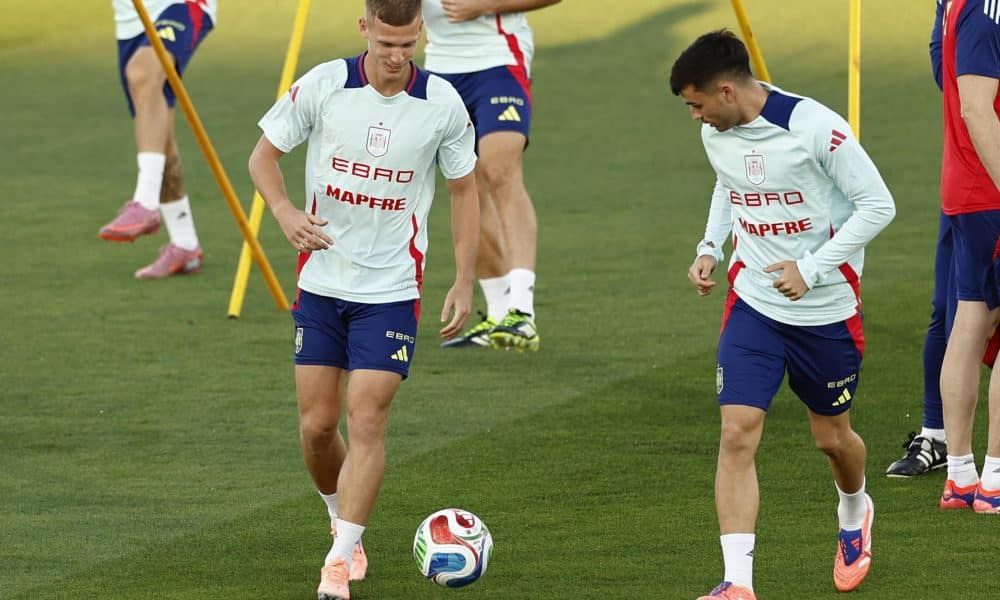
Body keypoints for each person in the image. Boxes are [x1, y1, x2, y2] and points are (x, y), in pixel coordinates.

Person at [247, 1, 479, 598]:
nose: (398, 58)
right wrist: (285, 212)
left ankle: (339, 560)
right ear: (364, 30)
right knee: (318, 427)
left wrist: (463, 278)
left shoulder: (442, 104)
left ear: (420, 34)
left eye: (408, 46)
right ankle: (338, 515)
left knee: (368, 418)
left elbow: (463, 190)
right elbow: (263, 157)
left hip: (392, 291)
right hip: (322, 285)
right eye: (386, 45)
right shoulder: (324, 85)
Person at [672, 30, 896, 599]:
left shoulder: (815, 128)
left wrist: (813, 268)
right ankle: (737, 584)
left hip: (826, 312)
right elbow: (729, 187)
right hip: (754, 306)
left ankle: (854, 510)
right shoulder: (716, 134)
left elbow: (879, 205)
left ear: (725, 92)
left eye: (697, 105)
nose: (694, 118)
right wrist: (708, 246)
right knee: (736, 433)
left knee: (832, 439)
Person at [423, 0, 560, 351]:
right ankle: (498, 315)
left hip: (498, 59)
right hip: (440, 68)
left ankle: (522, 313)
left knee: (500, 172)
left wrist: (484, 6)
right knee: (467, 183)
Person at [934, 0, 1000, 514]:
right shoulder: (987, 10)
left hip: (967, 188)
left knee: (971, 318)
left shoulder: (960, 5)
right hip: (990, 192)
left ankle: (960, 476)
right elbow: (976, 108)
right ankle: (995, 479)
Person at [102, 0, 216, 279]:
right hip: (130, 19)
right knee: (158, 131)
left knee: (142, 73)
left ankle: (145, 203)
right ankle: (184, 244)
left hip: (179, 6)